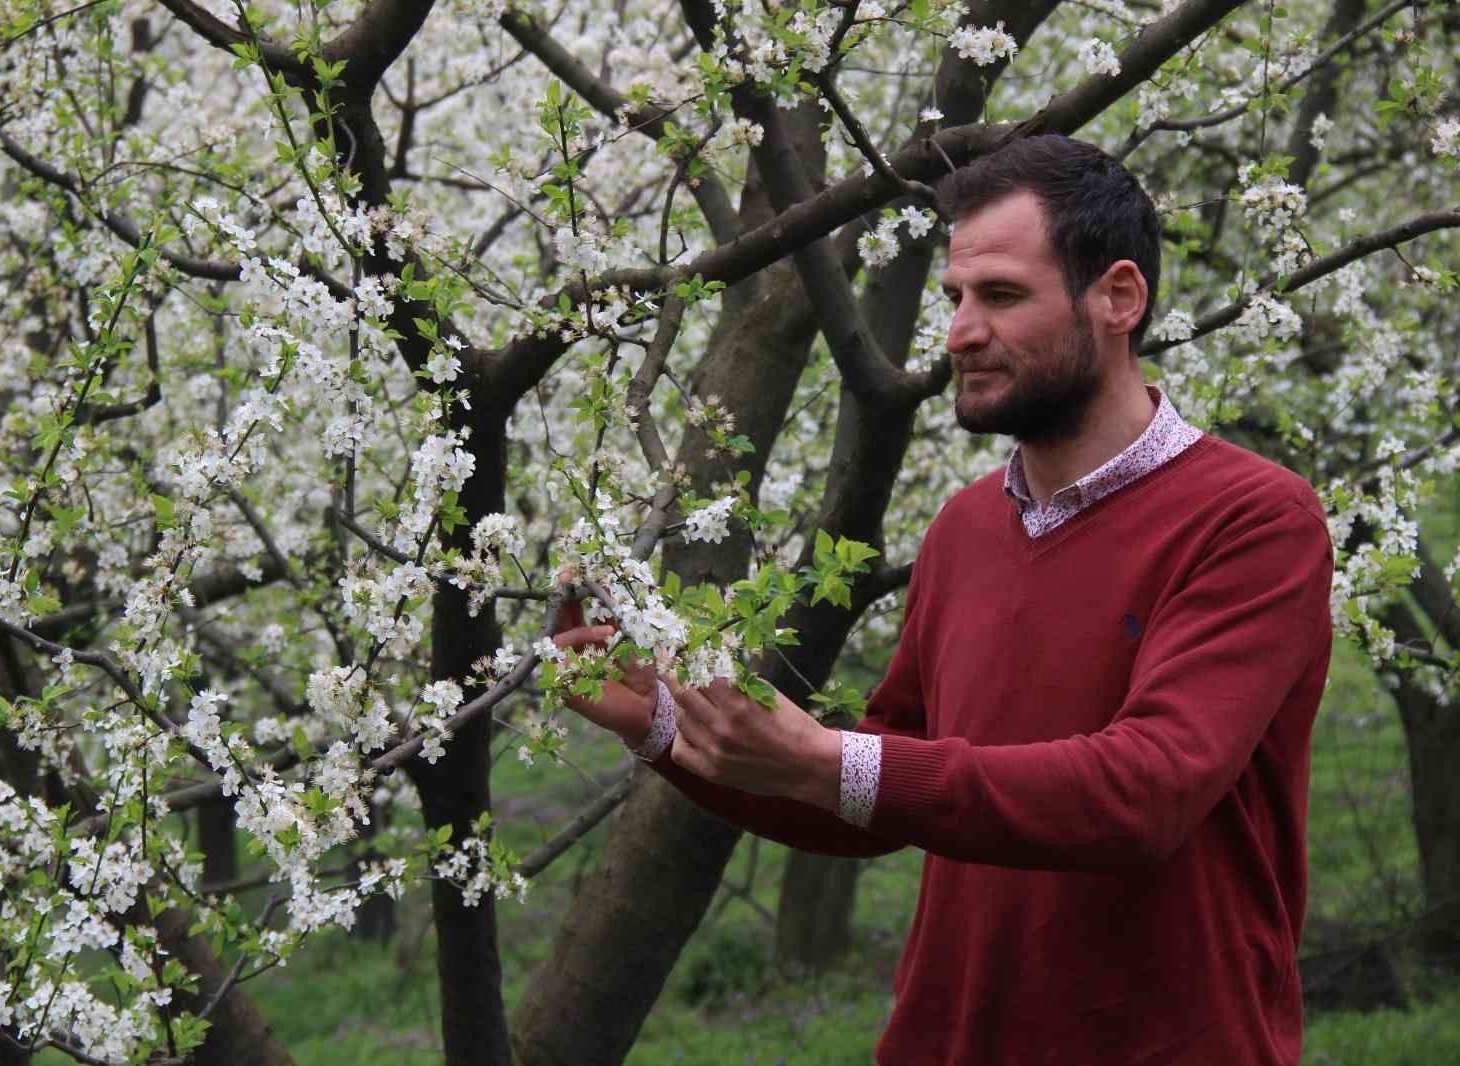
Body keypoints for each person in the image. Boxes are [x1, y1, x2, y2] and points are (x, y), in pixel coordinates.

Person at [554, 134, 1333, 1066]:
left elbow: (1148, 791)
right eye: (956, 297)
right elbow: (876, 792)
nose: (961, 331)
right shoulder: (965, 528)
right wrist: (670, 729)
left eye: (1000, 295)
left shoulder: (1252, 519)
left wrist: (835, 755)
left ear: (1118, 298)